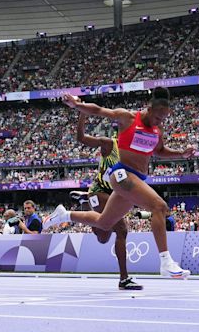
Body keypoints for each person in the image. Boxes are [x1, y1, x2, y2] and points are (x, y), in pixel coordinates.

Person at [45, 87, 194, 278]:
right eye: (158, 117)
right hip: (123, 174)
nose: (159, 121)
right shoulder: (128, 118)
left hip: (137, 178)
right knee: (159, 206)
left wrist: (181, 153)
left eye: (163, 118)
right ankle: (166, 262)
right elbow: (99, 110)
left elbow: (160, 151)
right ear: (149, 109)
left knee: (104, 223)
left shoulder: (157, 130)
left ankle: (64, 215)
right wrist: (77, 105)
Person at [51, 110, 142, 290]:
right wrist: (83, 113)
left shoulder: (136, 156)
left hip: (116, 194)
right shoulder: (109, 145)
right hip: (99, 190)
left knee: (103, 236)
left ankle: (84, 203)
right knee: (122, 229)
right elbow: (81, 138)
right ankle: (124, 279)